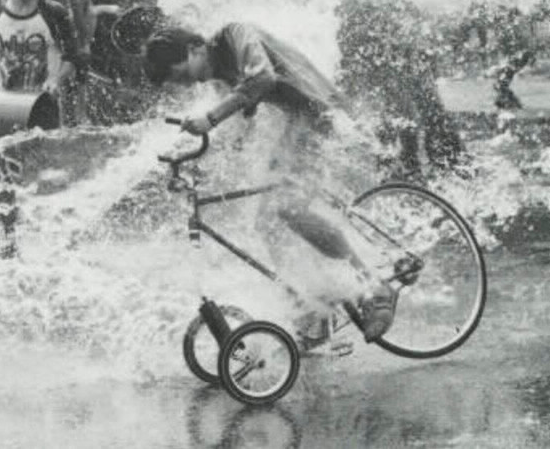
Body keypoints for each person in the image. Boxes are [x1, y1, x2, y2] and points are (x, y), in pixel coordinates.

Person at [141, 23, 396, 345]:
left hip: (322, 117)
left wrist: (212, 117)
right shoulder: (220, 76)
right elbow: (237, 129)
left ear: (194, 48)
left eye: (180, 74)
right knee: (266, 222)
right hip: (300, 125)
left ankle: (375, 286)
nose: (186, 84)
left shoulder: (236, 35)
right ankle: (314, 310)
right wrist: (193, 167)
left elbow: (263, 79)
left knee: (287, 207)